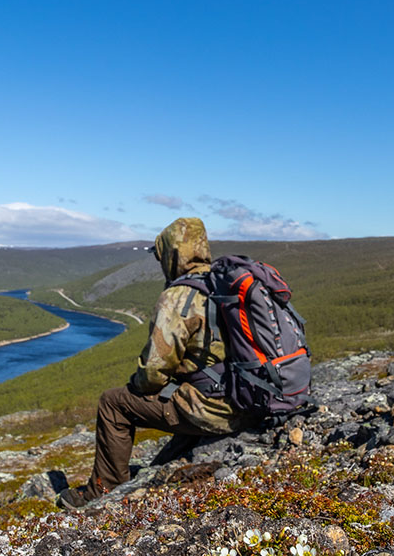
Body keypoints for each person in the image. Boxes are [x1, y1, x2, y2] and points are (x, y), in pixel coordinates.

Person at [57, 216, 255, 509]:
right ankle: (174, 456)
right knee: (188, 385)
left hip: (217, 410)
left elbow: (153, 374)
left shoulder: (179, 296)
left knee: (113, 403)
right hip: (251, 402)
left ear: (172, 254)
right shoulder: (227, 284)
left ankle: (103, 490)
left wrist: (135, 385)